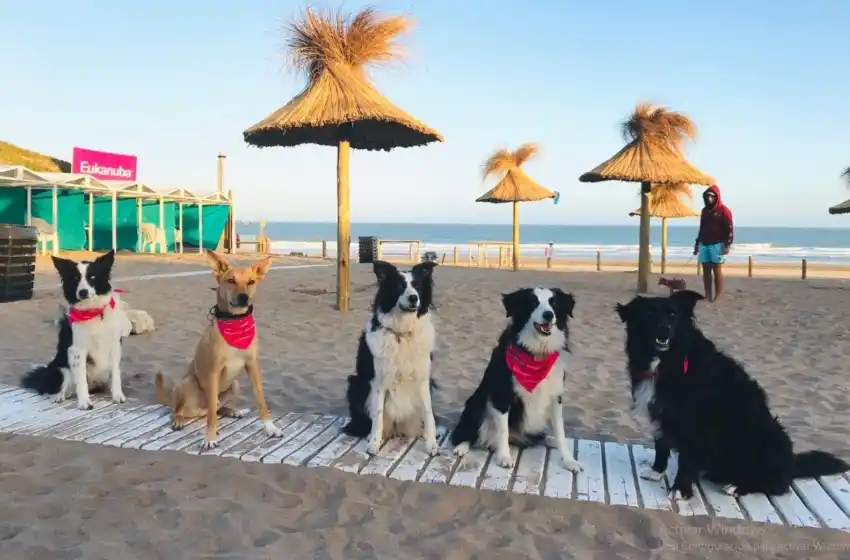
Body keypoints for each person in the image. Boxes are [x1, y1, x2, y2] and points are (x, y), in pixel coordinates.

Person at [693, 185, 733, 302]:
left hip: (718, 243)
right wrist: (697, 243)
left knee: (717, 269)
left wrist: (727, 244)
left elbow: (729, 229)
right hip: (704, 243)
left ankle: (718, 296)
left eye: (712, 196)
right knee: (706, 270)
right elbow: (702, 228)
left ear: (717, 197)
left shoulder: (724, 211)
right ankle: (708, 295)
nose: (709, 198)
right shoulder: (704, 211)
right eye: (707, 196)